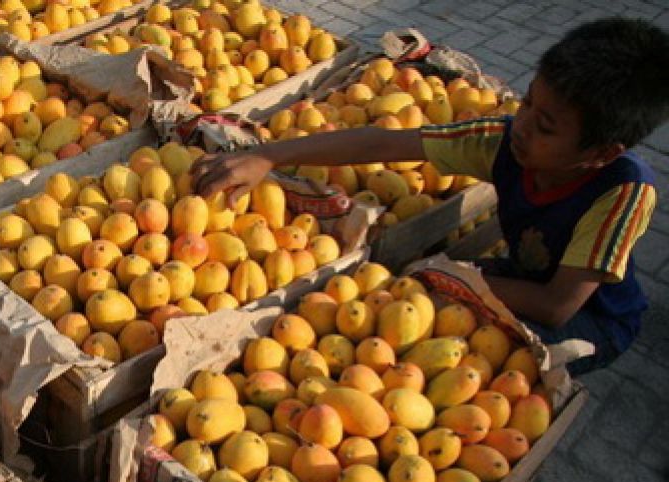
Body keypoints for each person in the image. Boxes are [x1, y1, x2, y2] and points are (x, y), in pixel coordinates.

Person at [191, 17, 669, 375]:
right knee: (402, 315)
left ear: (601, 153)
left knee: (485, 368)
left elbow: (557, 305)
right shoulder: (504, 139)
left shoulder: (623, 192)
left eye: (544, 126)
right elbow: (386, 142)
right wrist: (271, 156)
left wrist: (445, 274)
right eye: (527, 104)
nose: (521, 126)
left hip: (590, 321)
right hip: (521, 274)